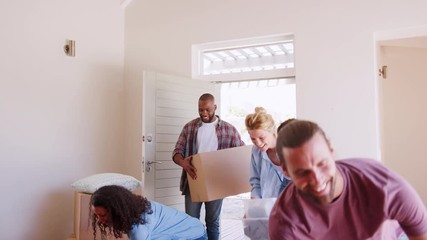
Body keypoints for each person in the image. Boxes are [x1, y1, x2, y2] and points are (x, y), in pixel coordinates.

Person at [269, 119, 427, 239]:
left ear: (331, 150)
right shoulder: (285, 223)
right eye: (302, 172)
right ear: (285, 170)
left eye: (322, 163)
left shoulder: (385, 186)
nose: (317, 180)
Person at [172, 93, 245, 240]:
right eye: (200, 109)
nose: (204, 113)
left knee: (213, 221)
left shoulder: (229, 130)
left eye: (207, 109)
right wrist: (183, 163)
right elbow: (177, 152)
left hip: (216, 182)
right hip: (194, 179)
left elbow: (241, 154)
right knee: (191, 221)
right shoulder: (189, 127)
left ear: (215, 107)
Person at [89, 185, 207, 240]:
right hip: (192, 228)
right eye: (97, 216)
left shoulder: (138, 229)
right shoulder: (136, 207)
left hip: (195, 236)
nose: (99, 220)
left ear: (117, 211)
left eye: (103, 215)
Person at [244, 107, 292, 199]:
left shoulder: (288, 148)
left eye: (261, 137)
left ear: (273, 132)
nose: (257, 143)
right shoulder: (256, 151)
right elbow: (256, 182)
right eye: (253, 139)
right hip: (265, 205)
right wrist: (255, 203)